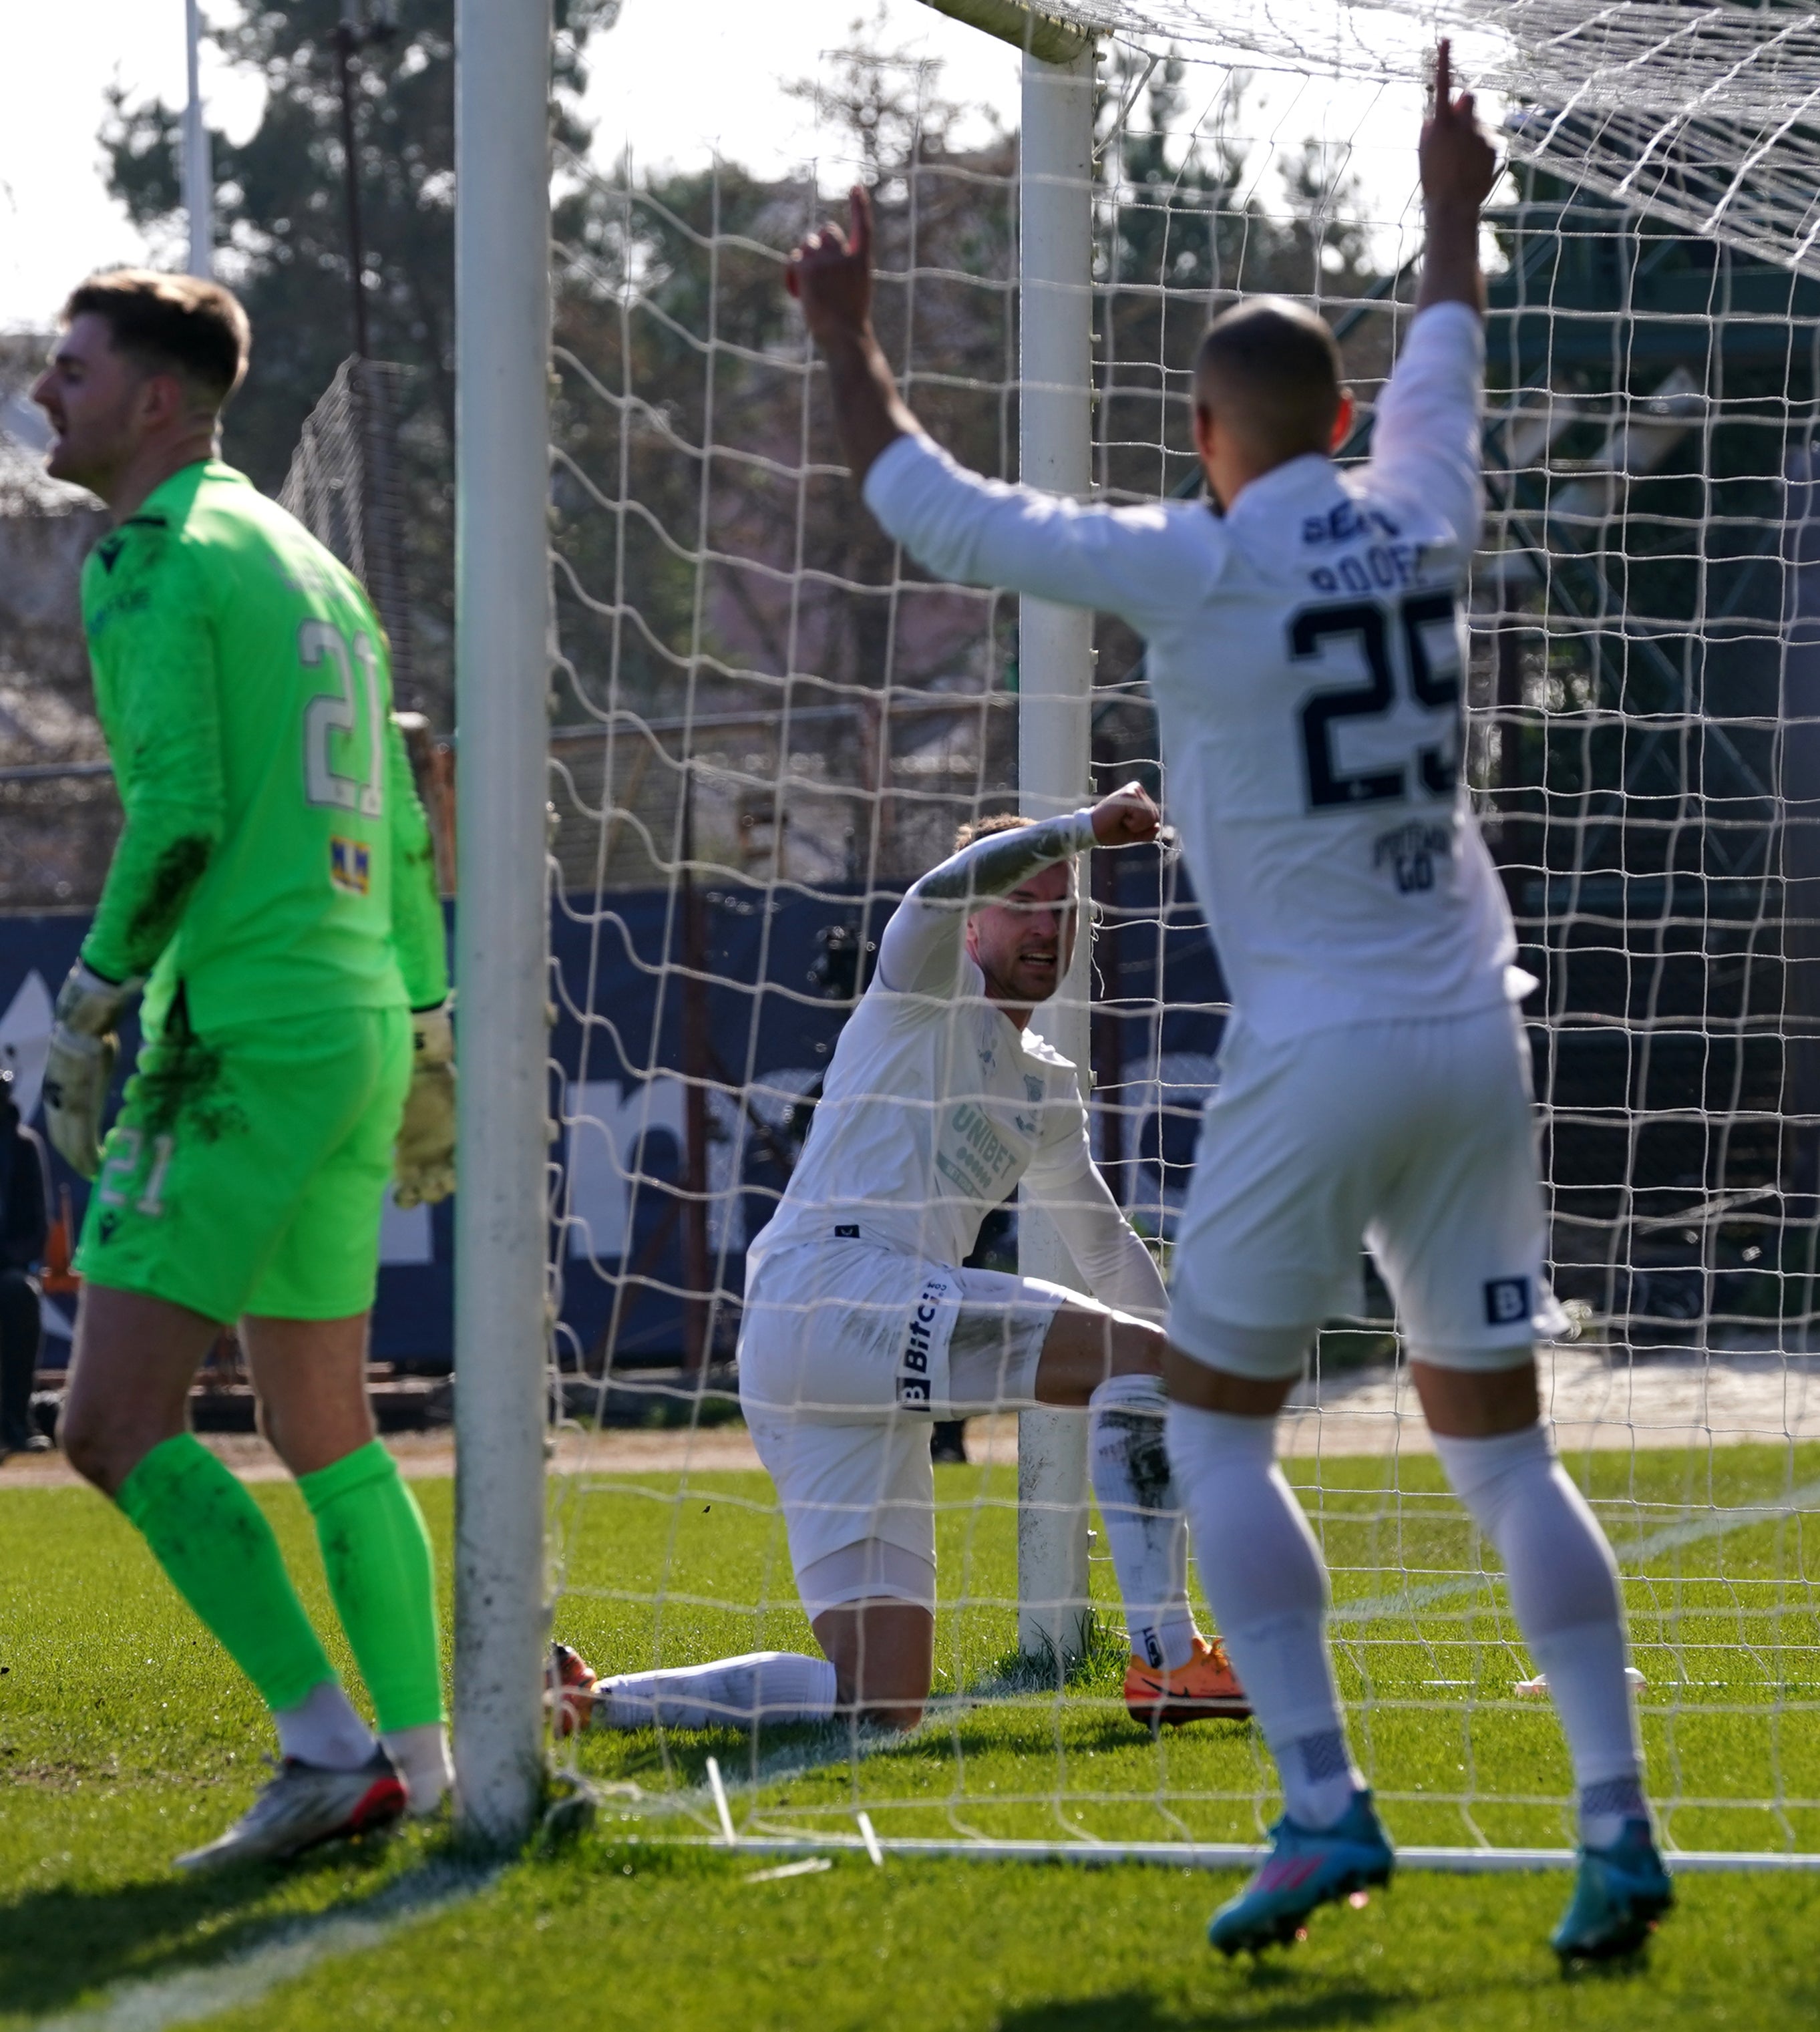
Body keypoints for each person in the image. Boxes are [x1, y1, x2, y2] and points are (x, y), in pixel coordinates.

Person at [780, 43, 1668, 1964]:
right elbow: (1447, 322)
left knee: (1212, 1430)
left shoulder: (1184, 565)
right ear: (1340, 415)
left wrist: (843, 330)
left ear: (1202, 435)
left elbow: (926, 508)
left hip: (1318, 1052)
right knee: (1504, 1453)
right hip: (1474, 1030)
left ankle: (1319, 1807)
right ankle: (1615, 1829)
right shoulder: (1421, 498)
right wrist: (1449, 198)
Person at [31, 271, 459, 1870]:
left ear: (156, 398)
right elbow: (410, 809)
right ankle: (420, 1764)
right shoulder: (310, 562)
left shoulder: (148, 551)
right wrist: (419, 1014)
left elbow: (183, 812)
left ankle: (325, 1747)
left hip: (239, 1032)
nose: (42, 400)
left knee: (108, 1419)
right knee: (323, 1418)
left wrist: (89, 1007)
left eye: (66, 372)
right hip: (347, 1021)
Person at [556, 794, 1248, 1735]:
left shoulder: (1043, 1083)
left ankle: (595, 1705)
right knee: (1130, 1363)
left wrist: (1181, 1363)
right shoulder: (923, 985)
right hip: (839, 1292)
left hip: (839, 1350)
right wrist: (1084, 827)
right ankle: (1168, 1657)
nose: (1045, 924)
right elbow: (932, 889)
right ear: (977, 921)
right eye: (1022, 901)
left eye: (1063, 906)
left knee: (878, 1703)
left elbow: (1101, 1242)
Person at [0, 1067, 51, 1459]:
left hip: (5, 1269)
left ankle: (17, 1422)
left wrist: (7, 1257)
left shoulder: (22, 1148)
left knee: (18, 1294)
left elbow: (36, 1230)